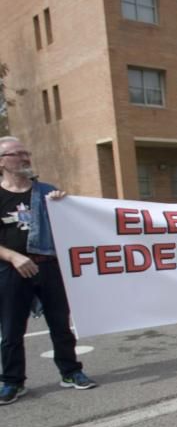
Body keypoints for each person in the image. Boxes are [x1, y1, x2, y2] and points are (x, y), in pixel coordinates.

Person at [0, 136, 97, 405]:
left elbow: (69, 227)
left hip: (48, 267)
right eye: (16, 154)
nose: (24, 157)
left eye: (25, 152)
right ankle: (12, 381)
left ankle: (70, 371)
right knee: (11, 330)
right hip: (12, 270)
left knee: (61, 325)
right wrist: (13, 257)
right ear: (2, 162)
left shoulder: (46, 192)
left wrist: (63, 204)